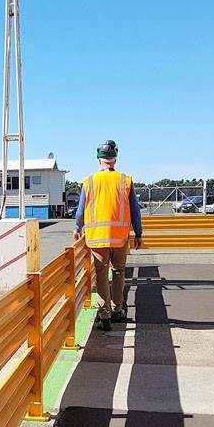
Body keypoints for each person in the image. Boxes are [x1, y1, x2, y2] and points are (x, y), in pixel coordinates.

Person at [72, 140, 143, 331]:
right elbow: (135, 211)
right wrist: (139, 233)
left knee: (101, 274)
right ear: (115, 159)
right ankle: (117, 310)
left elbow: (80, 210)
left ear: (99, 160)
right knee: (119, 271)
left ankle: (104, 316)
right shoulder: (125, 180)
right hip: (120, 236)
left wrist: (77, 227)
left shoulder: (89, 181)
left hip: (97, 237)